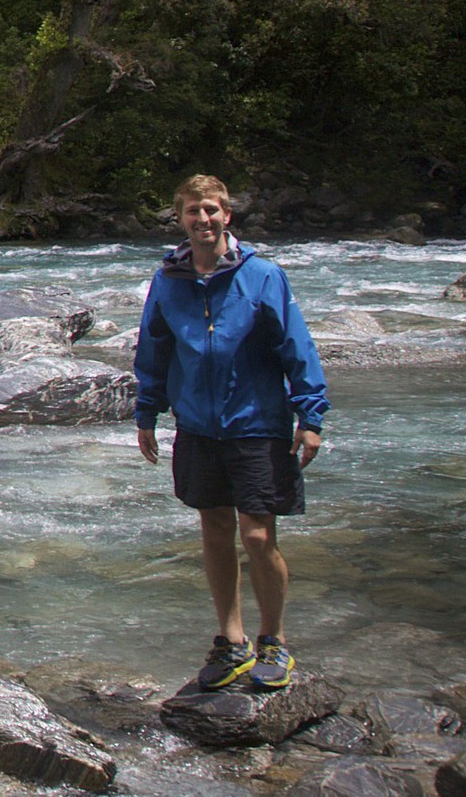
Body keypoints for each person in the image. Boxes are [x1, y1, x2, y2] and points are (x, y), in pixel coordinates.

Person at [136, 174, 327, 693]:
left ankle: (275, 640)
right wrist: (146, 413)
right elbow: (153, 351)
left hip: (257, 424)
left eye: (212, 210)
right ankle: (232, 640)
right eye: (193, 211)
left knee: (259, 534)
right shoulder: (168, 280)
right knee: (214, 529)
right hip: (197, 425)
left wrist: (310, 417)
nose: (204, 220)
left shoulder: (262, 275)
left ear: (228, 216)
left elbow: (296, 345)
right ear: (181, 219)